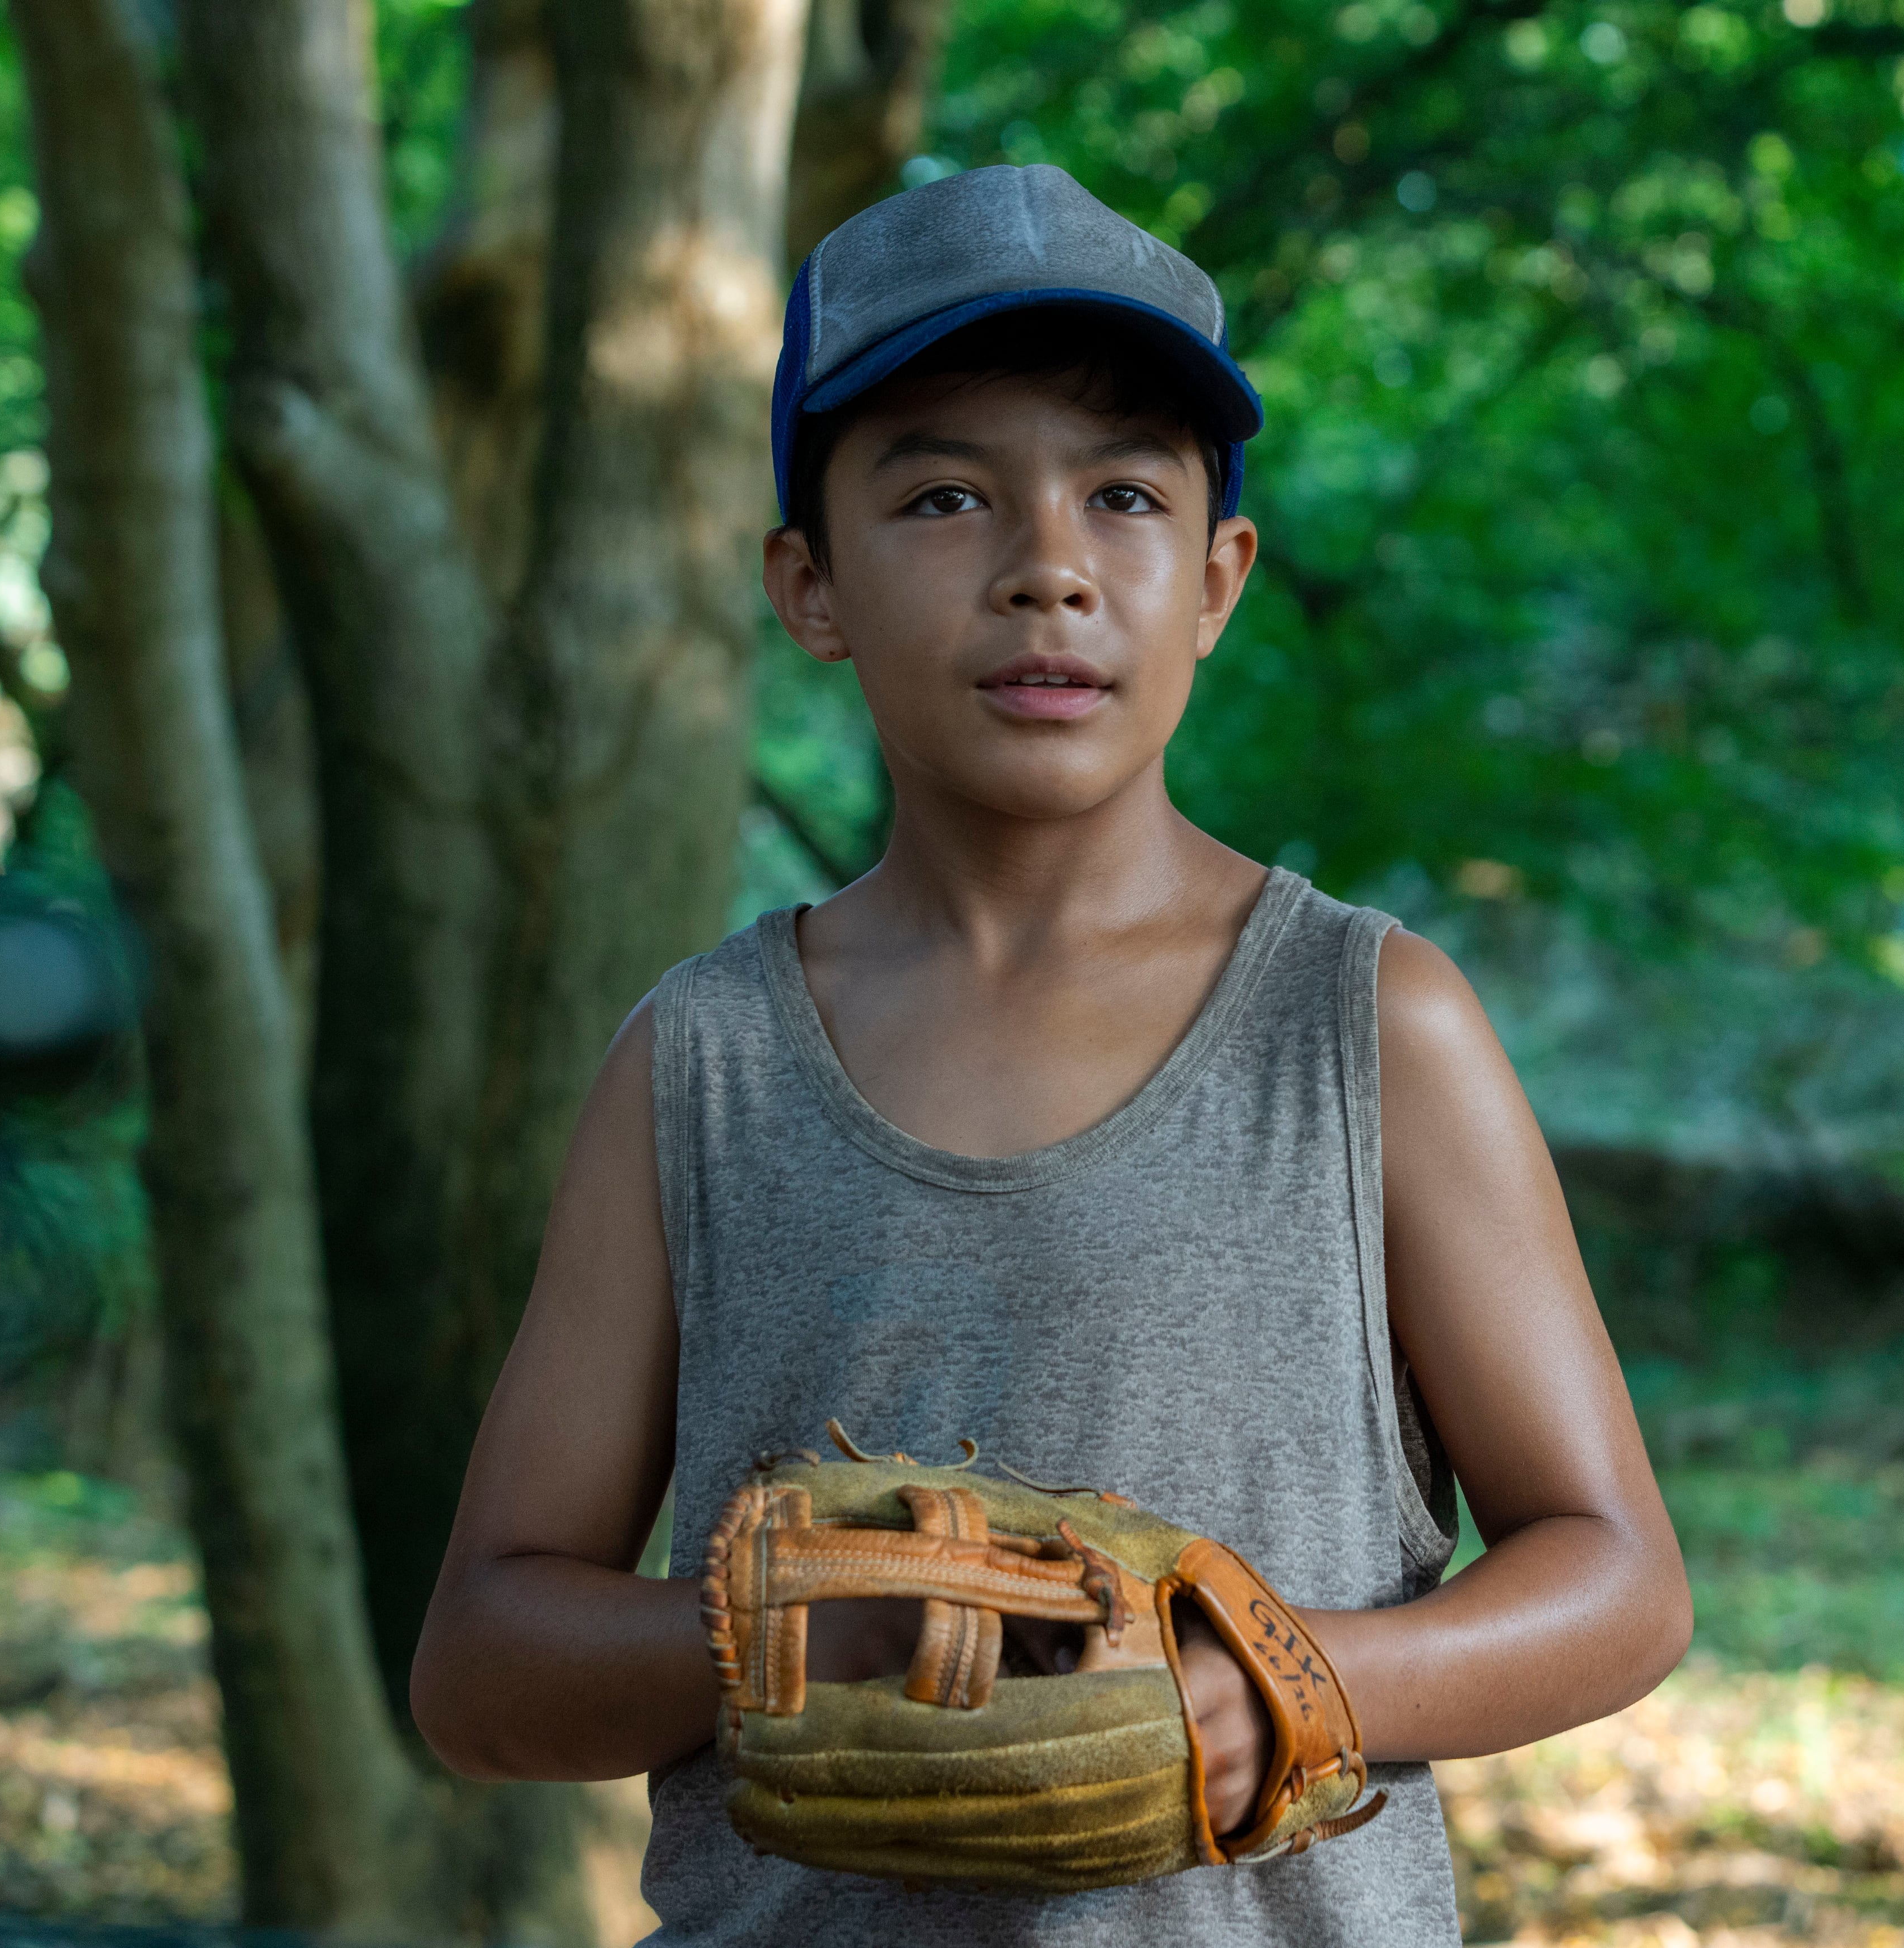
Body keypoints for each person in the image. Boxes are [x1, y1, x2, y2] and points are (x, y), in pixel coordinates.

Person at [409, 163, 1691, 1944]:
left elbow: (1620, 1582)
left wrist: (1275, 1683)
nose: (1049, 570)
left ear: (1220, 578)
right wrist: (802, 1633)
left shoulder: (1368, 1025)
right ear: (812, 582)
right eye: (943, 495)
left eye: (1125, 496)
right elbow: (482, 1667)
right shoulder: (699, 1062)